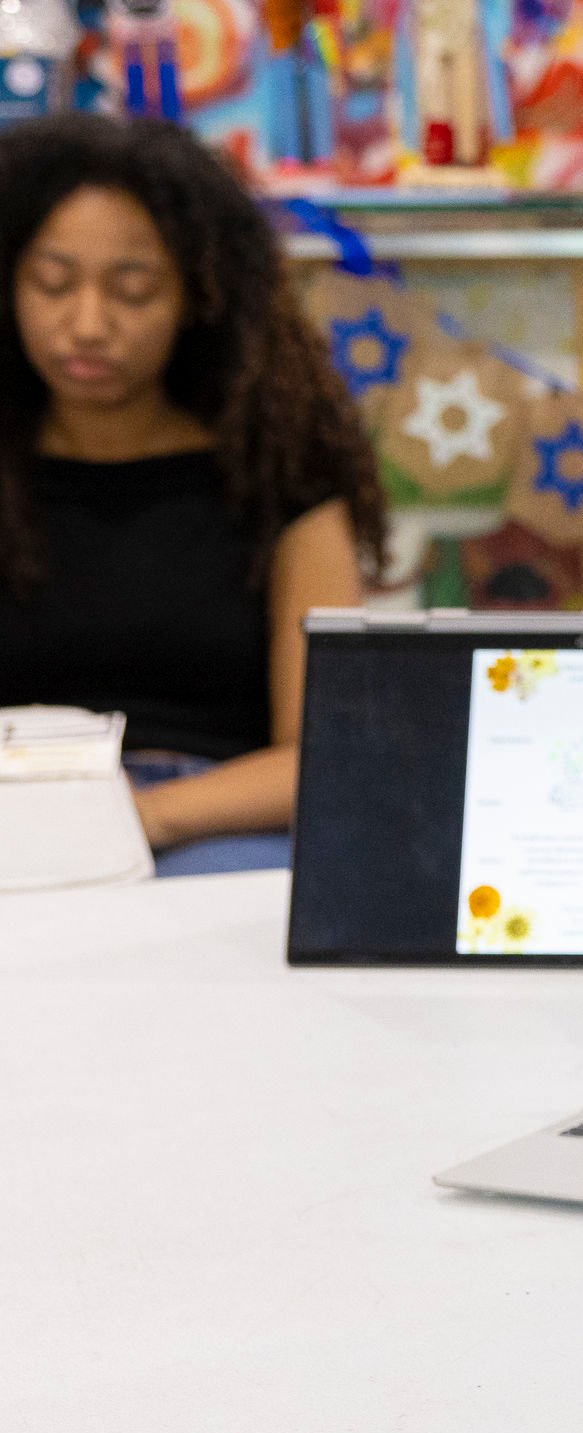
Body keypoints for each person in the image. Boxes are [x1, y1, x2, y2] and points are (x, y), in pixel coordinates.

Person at [0, 114, 383, 876]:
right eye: (53, 283)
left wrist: (136, 817)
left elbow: (324, 754)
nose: (87, 324)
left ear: (199, 299)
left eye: (133, 289)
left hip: (209, 822)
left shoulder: (281, 476)